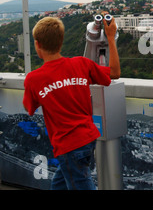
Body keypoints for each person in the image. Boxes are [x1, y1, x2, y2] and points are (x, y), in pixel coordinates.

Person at [22, 15, 120, 190]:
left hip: (68, 146)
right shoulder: (81, 64)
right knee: (59, 184)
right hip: (88, 139)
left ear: (37, 44)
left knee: (79, 182)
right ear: (61, 41)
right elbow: (114, 72)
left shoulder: (33, 79)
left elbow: (29, 108)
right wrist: (110, 38)